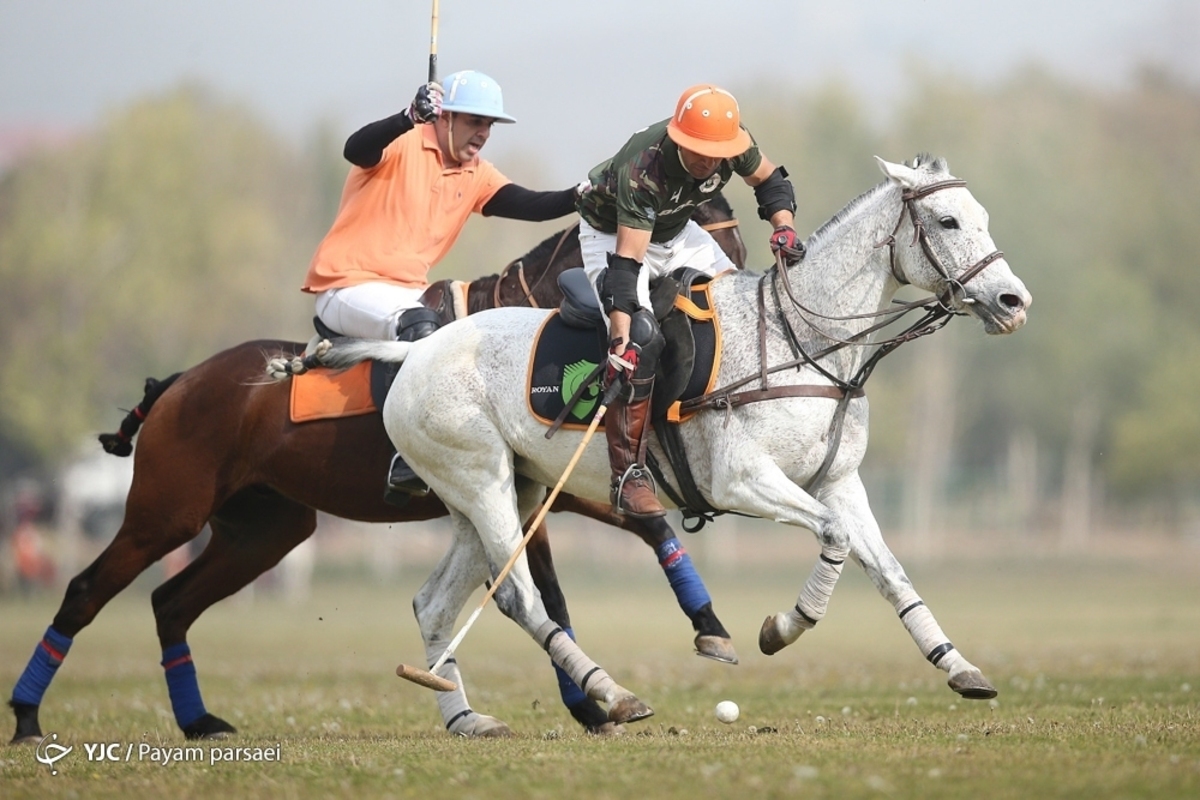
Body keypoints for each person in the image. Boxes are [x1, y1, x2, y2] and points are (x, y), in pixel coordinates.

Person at [302, 70, 585, 503]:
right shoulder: (403, 141)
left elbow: (530, 204)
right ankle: (411, 455)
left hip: (403, 293)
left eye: (490, 125)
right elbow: (354, 147)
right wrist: (405, 117)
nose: (484, 133)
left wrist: (578, 195)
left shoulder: (476, 174)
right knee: (421, 323)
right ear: (445, 118)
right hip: (345, 286)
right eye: (475, 121)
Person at [576, 84, 804, 518]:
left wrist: (784, 228)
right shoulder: (647, 168)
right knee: (639, 337)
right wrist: (620, 338)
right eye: (700, 152)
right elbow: (626, 267)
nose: (711, 162)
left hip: (676, 231)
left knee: (741, 305)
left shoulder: (729, 140)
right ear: (680, 139)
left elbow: (771, 183)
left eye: (718, 153)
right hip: (611, 232)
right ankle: (627, 476)